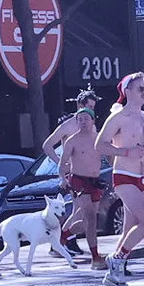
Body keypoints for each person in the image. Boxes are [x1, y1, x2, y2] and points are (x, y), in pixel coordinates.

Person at [95, 72, 144, 286]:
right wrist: (126, 151)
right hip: (124, 175)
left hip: (143, 176)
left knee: (132, 227)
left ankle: (115, 272)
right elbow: (100, 145)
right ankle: (116, 260)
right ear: (127, 92)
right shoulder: (118, 118)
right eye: (140, 89)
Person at [43, 89, 100, 255]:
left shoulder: (91, 124)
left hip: (90, 175)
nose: (91, 109)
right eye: (89, 106)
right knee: (81, 211)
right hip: (75, 174)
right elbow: (47, 145)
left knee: (81, 211)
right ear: (80, 105)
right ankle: (62, 241)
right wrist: (61, 163)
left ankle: (64, 240)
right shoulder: (68, 126)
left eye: (93, 107)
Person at [57, 108, 106, 269]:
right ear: (77, 122)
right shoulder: (72, 140)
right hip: (78, 181)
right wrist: (63, 178)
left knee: (88, 222)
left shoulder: (99, 138)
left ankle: (65, 234)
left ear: (93, 121)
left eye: (86, 119)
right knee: (90, 218)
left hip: (95, 181)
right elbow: (62, 164)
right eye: (80, 119)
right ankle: (95, 258)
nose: (83, 122)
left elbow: (110, 155)